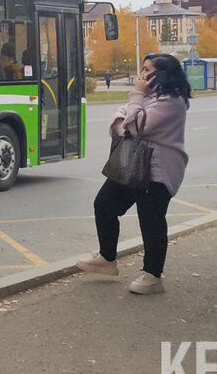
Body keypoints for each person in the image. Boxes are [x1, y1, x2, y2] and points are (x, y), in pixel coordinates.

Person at [76, 53, 190, 295]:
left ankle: (152, 276)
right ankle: (107, 259)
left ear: (162, 74)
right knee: (104, 204)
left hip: (158, 170)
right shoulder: (149, 97)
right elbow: (121, 119)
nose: (141, 74)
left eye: (147, 69)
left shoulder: (172, 101)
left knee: (151, 220)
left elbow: (137, 126)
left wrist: (134, 104)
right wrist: (128, 120)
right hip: (134, 164)